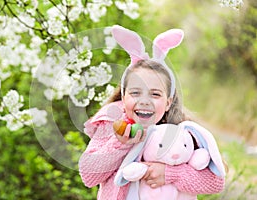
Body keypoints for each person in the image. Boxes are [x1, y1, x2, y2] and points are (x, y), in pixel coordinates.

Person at [78, 25, 225, 200]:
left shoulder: (179, 129)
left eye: (155, 94)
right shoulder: (112, 122)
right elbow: (88, 176)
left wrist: (170, 173)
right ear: (123, 98)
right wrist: (121, 144)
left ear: (168, 102)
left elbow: (216, 182)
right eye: (135, 93)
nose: (145, 101)